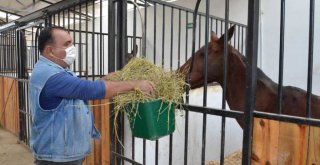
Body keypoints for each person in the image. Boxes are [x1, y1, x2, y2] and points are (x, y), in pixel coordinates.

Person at [29, 26, 155, 165]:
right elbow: (87, 90)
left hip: (63, 152)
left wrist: (102, 81)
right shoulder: (50, 75)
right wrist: (134, 85)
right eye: (66, 44)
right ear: (49, 51)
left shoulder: (57, 70)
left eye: (71, 43)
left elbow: (76, 92)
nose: (72, 48)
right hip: (56, 157)